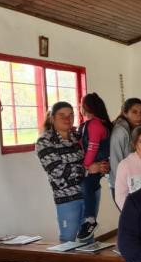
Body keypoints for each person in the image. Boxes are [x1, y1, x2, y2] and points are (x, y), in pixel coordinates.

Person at [36, 102, 106, 243]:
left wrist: (102, 166)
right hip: (67, 198)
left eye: (71, 115)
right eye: (62, 115)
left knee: (87, 238)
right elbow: (56, 170)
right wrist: (88, 169)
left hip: (91, 193)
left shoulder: (77, 136)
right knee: (67, 239)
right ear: (52, 118)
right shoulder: (44, 141)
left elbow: (93, 155)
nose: (67, 119)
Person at [77, 93, 112, 241]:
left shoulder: (95, 124)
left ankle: (90, 220)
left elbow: (92, 148)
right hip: (95, 165)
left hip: (94, 165)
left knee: (87, 186)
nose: (79, 107)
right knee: (89, 187)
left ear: (86, 107)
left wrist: (86, 167)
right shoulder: (91, 124)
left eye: (81, 104)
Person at [109, 98, 141, 199]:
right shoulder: (120, 131)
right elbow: (115, 161)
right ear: (125, 113)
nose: (139, 116)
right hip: (122, 185)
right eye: (134, 112)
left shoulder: (138, 129)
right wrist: (124, 185)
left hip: (137, 182)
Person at [114, 126, 141, 210]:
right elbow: (120, 196)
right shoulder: (125, 165)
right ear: (134, 144)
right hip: (135, 213)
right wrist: (131, 214)